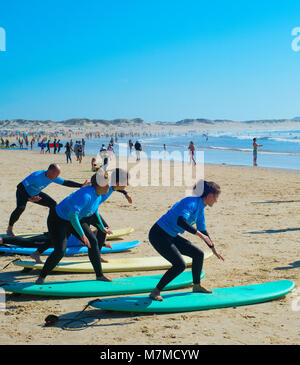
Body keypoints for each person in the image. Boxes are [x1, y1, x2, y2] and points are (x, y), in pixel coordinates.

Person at [35, 168, 131, 284]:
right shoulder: (86, 195)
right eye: (107, 184)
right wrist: (81, 235)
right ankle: (42, 277)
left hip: (74, 219)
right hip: (58, 219)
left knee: (93, 242)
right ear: (100, 185)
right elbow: (72, 215)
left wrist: (101, 227)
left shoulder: (98, 194)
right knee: (60, 250)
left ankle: (99, 275)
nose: (109, 186)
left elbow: (94, 210)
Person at [148, 180, 224, 301]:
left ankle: (197, 286)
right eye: (216, 197)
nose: (216, 200)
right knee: (180, 265)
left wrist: (214, 249)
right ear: (210, 196)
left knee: (198, 254)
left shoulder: (200, 208)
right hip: (158, 235)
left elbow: (203, 231)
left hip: (171, 235)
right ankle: (156, 291)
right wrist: (199, 235)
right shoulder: (191, 202)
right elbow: (181, 221)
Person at [7, 164, 89, 236]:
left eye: (58, 175)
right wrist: (29, 198)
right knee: (20, 208)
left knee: (53, 204)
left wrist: (81, 185)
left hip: (35, 193)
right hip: (22, 192)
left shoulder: (53, 177)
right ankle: (10, 228)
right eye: (56, 174)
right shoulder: (36, 176)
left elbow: (65, 182)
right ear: (50, 171)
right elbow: (20, 186)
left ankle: (52, 230)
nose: (57, 177)